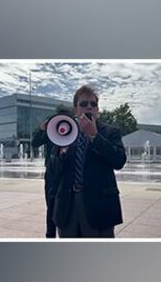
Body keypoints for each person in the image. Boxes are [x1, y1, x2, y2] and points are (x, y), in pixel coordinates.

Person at [50, 85, 127, 238]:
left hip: (99, 205)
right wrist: (62, 154)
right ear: (75, 110)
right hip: (68, 206)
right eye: (84, 104)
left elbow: (119, 161)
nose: (89, 107)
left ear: (97, 110)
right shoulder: (64, 132)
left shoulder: (110, 132)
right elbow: (53, 171)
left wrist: (94, 136)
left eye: (93, 104)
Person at [32, 109, 72, 239]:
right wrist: (42, 129)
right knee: (51, 207)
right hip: (52, 174)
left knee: (67, 208)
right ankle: (50, 236)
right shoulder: (51, 132)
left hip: (68, 174)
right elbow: (35, 143)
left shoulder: (74, 131)